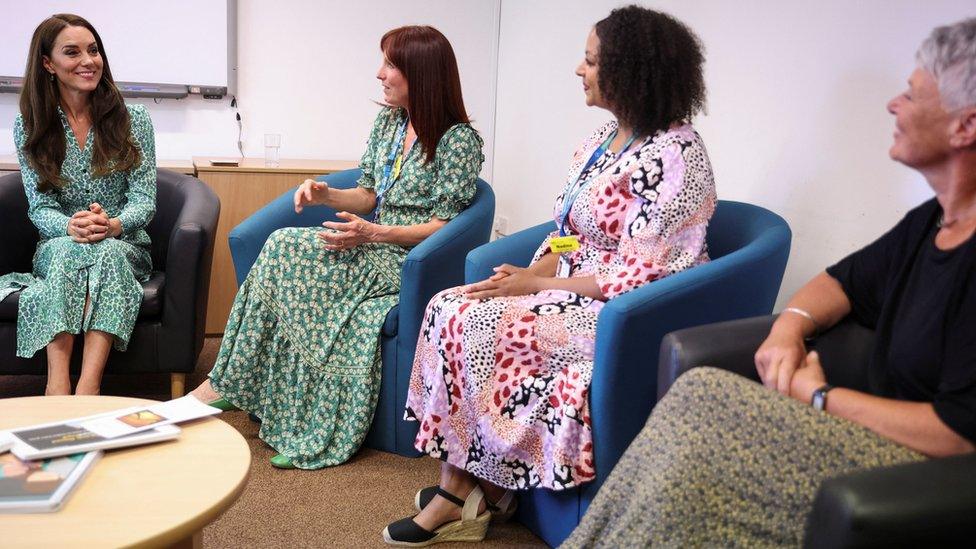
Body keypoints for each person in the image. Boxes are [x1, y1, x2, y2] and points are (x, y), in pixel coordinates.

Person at [562, 16, 976, 548]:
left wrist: (820, 396)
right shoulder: (932, 223)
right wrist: (790, 329)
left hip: (919, 468)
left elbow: (958, 435)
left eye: (913, 95)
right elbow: (839, 282)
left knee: (696, 452)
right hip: (865, 428)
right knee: (701, 391)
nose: (894, 105)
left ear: (966, 127)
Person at [384, 7, 716, 546]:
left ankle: (456, 495)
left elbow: (639, 272)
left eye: (589, 61)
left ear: (631, 72)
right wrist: (531, 269)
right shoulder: (603, 142)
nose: (577, 70)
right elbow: (570, 235)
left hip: (621, 311)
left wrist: (538, 286)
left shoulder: (676, 158)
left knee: (486, 326)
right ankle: (480, 483)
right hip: (568, 287)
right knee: (452, 302)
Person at [189, 25, 484, 470]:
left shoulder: (458, 141)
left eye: (390, 65)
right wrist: (325, 193)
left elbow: (444, 226)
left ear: (421, 74)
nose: (379, 74)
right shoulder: (390, 122)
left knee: (288, 252)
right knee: (282, 245)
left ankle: (233, 383)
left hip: (405, 259)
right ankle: (235, 382)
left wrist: (374, 234)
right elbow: (368, 194)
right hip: (370, 242)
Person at [0, 14, 156, 396]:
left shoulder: (134, 119)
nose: (88, 61)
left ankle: (87, 386)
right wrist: (72, 226)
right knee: (72, 250)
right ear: (48, 64)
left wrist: (113, 224)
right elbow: (40, 207)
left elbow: (144, 198)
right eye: (73, 52)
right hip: (58, 243)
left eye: (93, 50)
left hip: (124, 243)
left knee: (105, 253)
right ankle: (58, 384)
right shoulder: (31, 124)